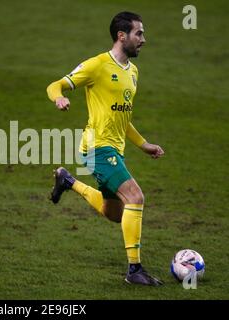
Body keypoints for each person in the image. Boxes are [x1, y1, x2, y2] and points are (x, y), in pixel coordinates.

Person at [46, 12, 165, 286]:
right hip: (96, 148)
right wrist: (60, 97)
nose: (143, 40)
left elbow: (123, 118)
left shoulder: (133, 73)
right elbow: (55, 84)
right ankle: (134, 270)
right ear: (121, 36)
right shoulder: (97, 65)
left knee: (116, 214)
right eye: (139, 34)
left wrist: (144, 145)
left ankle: (68, 180)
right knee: (135, 197)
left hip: (115, 149)